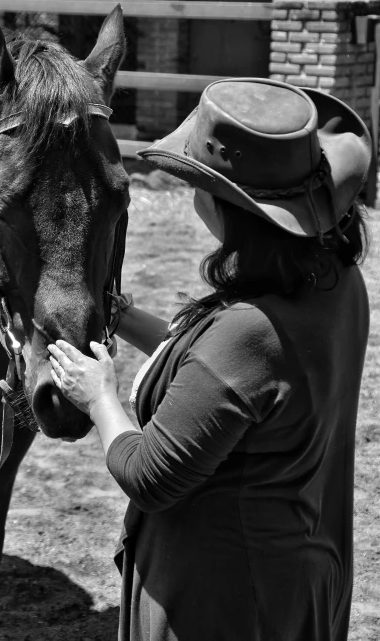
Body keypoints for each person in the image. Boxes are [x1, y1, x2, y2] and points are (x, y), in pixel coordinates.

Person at [47, 78, 371, 641]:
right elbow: (226, 378)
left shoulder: (246, 332)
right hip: (292, 571)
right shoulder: (333, 280)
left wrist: (99, 396)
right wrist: (122, 315)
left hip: (223, 601)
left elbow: (149, 475)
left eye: (199, 183)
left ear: (228, 208)